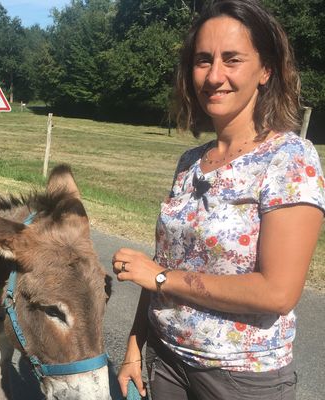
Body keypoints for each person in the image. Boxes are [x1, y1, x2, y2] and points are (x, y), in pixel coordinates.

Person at [112, 1, 325, 399]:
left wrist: (162, 278)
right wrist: (133, 347)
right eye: (203, 60)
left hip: (240, 378)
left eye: (232, 59)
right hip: (166, 361)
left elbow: (278, 292)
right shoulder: (191, 162)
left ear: (265, 71)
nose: (214, 76)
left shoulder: (289, 158)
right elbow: (161, 265)